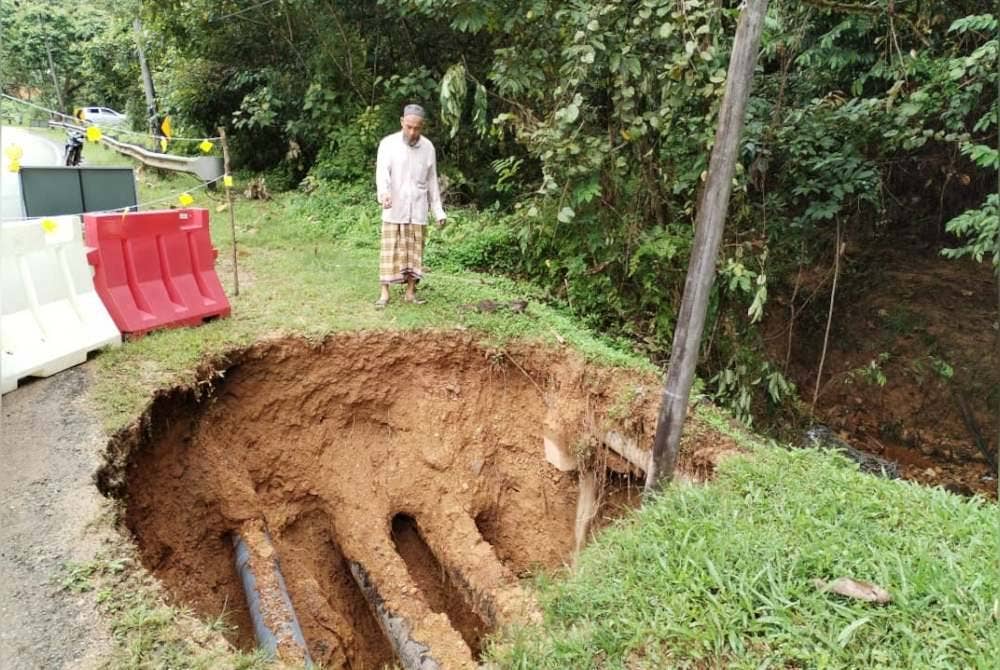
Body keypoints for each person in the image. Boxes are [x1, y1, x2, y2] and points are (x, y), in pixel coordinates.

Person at [374, 103, 446, 307]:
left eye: (417, 128)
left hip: (418, 210)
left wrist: (438, 211)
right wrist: (384, 194)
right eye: (409, 127)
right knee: (390, 250)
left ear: (422, 127)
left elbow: (432, 181)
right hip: (394, 208)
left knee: (415, 252)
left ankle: (410, 292)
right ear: (402, 123)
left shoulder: (428, 148)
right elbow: (382, 173)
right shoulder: (388, 144)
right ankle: (384, 294)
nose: (412, 132)